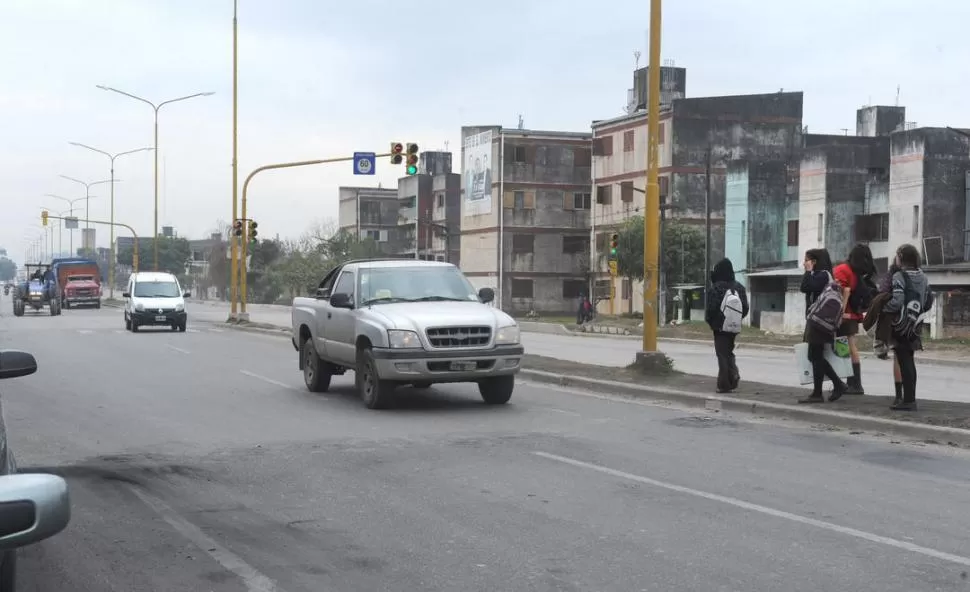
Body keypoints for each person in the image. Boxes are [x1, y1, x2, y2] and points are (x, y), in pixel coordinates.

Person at [882, 244, 934, 411]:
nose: (896, 258)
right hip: (916, 323)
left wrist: (884, 309)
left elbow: (897, 301)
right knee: (909, 360)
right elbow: (928, 301)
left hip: (901, 324)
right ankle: (910, 397)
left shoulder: (899, 276)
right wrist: (917, 312)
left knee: (903, 360)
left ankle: (909, 401)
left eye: (897, 255)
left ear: (901, 257)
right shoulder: (923, 276)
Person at [799, 248, 848, 404]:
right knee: (815, 356)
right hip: (816, 320)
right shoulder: (821, 275)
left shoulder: (822, 275)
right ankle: (825, 389)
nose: (804, 263)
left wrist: (807, 271)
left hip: (820, 321)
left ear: (815, 261)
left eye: (807, 260)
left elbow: (805, 287)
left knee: (815, 355)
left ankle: (829, 388)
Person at [832, 243, 876, 394]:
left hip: (844, 316)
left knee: (847, 348)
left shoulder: (843, 270)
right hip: (852, 316)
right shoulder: (858, 274)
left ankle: (853, 384)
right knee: (847, 347)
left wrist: (839, 314)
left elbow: (841, 291)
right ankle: (851, 382)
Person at [705, 258, 749, 393]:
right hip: (734, 326)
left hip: (720, 326)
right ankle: (732, 374)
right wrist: (736, 319)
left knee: (722, 354)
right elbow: (745, 308)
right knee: (728, 351)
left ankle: (725, 383)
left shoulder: (716, 287)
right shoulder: (739, 287)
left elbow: (711, 309)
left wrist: (712, 322)